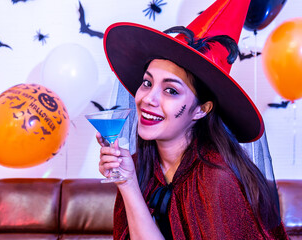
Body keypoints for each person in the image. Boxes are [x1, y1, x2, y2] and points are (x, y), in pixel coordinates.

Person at [96, 0, 289, 239]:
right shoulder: (140, 166)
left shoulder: (216, 178)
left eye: (171, 90)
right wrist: (127, 183)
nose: (148, 99)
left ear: (201, 110)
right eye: (147, 83)